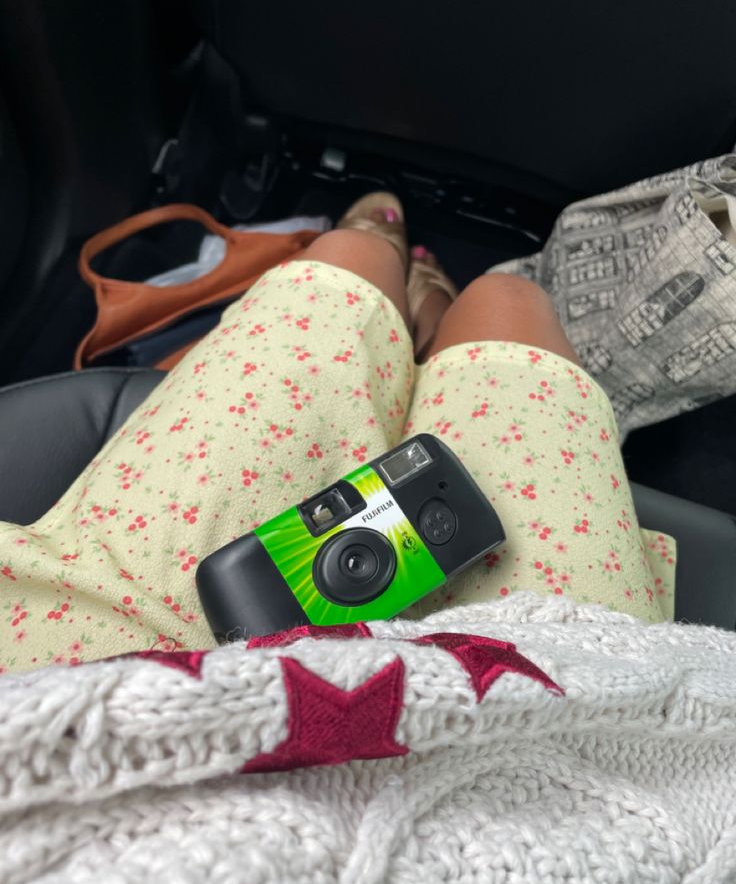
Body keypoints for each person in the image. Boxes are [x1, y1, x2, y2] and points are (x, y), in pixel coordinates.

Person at [0, 192, 675, 673]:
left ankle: (411, 309)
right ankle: (426, 315)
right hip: (553, 677)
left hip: (78, 643)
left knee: (355, 265)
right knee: (503, 302)